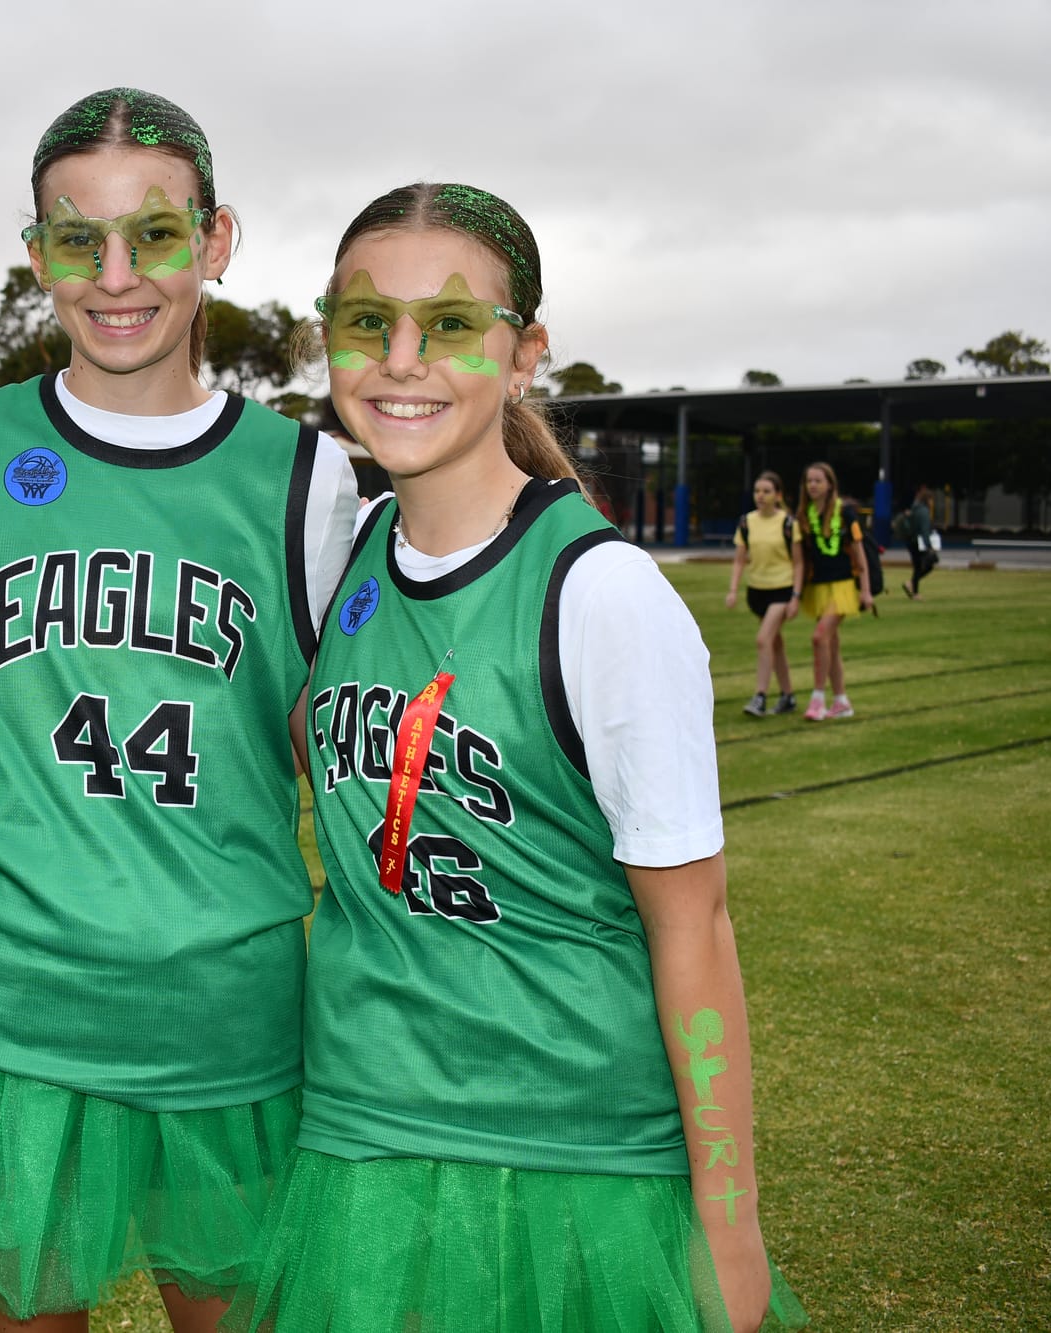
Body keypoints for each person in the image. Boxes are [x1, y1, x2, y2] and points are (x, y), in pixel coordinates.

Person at [227, 183, 805, 1333]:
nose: (400, 360)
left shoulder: (600, 594)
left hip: (570, 1157)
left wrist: (728, 1218)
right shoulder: (338, 556)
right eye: (363, 323)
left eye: (448, 324)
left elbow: (692, 927)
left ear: (524, 353)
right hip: (360, 1139)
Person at [0, 88, 358, 1333]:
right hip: (12, 1008)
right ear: (33, 250)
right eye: (72, 238)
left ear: (213, 241)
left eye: (152, 235)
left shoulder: (309, 474)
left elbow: (335, 734)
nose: (114, 276)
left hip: (227, 1011)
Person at [797, 461, 872, 720]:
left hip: (842, 588)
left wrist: (866, 591)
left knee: (819, 637)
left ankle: (818, 698)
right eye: (809, 481)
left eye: (818, 480)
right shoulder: (805, 515)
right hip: (818, 588)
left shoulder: (844, 513)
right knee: (831, 644)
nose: (813, 485)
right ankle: (841, 701)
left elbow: (860, 555)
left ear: (830, 484)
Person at [725, 471, 803, 717]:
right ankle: (788, 696)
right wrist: (733, 589)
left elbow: (799, 563)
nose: (760, 495)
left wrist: (796, 596)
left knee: (763, 639)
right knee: (775, 644)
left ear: (778, 495)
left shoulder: (788, 523)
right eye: (758, 491)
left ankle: (760, 696)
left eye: (766, 491)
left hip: (781, 589)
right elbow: (739, 560)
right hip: (757, 591)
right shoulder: (747, 522)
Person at [902, 483, 938, 600]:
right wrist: (929, 546)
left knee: (918, 566)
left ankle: (913, 588)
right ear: (927, 499)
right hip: (918, 542)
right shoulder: (923, 511)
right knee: (928, 563)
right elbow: (924, 530)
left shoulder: (915, 508)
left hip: (910, 541)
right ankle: (913, 587)